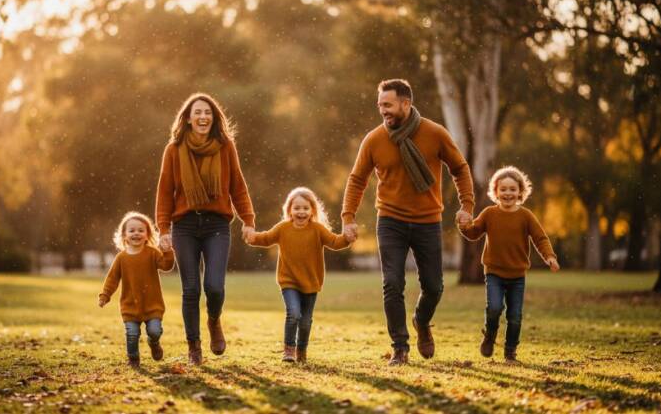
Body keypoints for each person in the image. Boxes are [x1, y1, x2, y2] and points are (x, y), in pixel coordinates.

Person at [342, 78, 475, 365]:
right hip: (390, 221)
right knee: (392, 283)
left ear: (406, 103)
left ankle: (421, 321)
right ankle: (400, 347)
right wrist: (348, 218)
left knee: (434, 286)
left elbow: (460, 168)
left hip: (428, 221)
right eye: (380, 106)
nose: (383, 111)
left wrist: (467, 206)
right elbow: (356, 180)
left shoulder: (434, 133)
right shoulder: (374, 139)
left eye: (387, 105)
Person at [155, 93, 256, 365]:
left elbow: (237, 185)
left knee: (214, 286)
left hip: (217, 225)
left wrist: (248, 220)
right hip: (184, 225)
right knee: (190, 289)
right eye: (197, 112)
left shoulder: (225, 146)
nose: (203, 117)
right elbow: (165, 192)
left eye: (208, 113)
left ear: (214, 118)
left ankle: (214, 320)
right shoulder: (174, 149)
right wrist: (163, 228)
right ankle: (194, 346)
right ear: (187, 118)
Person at [458, 166, 560, 362]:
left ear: (520, 192)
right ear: (495, 191)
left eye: (512, 189)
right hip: (494, 273)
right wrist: (463, 225)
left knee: (515, 316)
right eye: (503, 189)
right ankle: (489, 335)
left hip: (517, 276)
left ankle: (510, 351)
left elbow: (540, 238)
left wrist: (550, 256)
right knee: (495, 308)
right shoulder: (489, 213)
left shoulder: (526, 216)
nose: (507, 193)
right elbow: (473, 232)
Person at [245, 187, 352, 363]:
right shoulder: (283, 228)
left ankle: (301, 351)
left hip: (311, 281)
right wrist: (252, 236)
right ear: (289, 210)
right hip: (289, 281)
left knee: (305, 321)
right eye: (297, 208)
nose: (301, 212)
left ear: (312, 211)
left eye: (305, 208)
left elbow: (334, 241)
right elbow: (266, 238)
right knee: (294, 313)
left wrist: (347, 238)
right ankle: (289, 350)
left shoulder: (317, 229)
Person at [99, 212, 175, 367]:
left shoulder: (153, 253)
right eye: (132, 230)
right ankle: (133, 359)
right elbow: (112, 279)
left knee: (154, 331)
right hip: (130, 306)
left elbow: (167, 266)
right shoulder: (121, 258)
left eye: (141, 230)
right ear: (124, 235)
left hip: (152, 305)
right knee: (132, 335)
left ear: (147, 235)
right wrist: (105, 295)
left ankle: (154, 343)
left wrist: (168, 251)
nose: (136, 233)